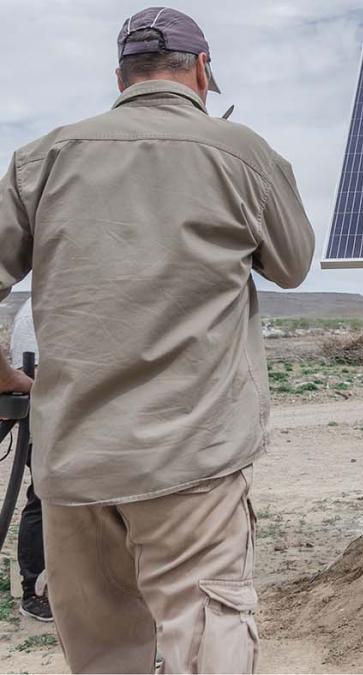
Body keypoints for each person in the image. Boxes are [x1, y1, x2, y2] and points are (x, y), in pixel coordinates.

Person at [0, 8, 315, 672]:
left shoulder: (44, 157)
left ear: (121, 77)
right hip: (190, 460)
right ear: (202, 71)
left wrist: (4, 375)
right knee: (208, 641)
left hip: (73, 466)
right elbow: (291, 262)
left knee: (105, 655)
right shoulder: (241, 153)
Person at [7, 299, 51, 622]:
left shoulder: (29, 308)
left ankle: (41, 586)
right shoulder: (41, 310)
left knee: (42, 499)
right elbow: (34, 372)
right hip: (47, 423)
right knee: (41, 500)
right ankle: (34, 592)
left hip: (41, 423)